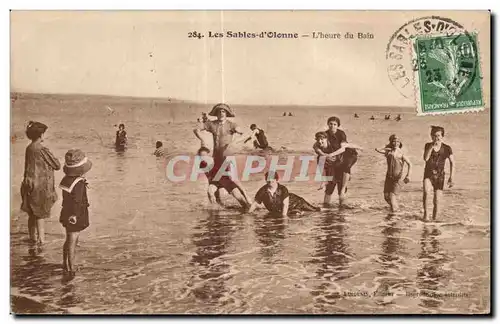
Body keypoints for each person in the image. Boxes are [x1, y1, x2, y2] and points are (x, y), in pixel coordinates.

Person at [20, 121, 61, 248]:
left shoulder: (29, 148)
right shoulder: (42, 149)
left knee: (32, 214)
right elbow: (57, 165)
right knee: (40, 214)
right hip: (41, 186)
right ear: (41, 135)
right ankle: (42, 241)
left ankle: (32, 238)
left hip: (29, 184)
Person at [59, 149, 92, 279]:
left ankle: (65, 263)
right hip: (75, 215)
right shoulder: (79, 183)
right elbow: (77, 200)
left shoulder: (66, 180)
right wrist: (75, 215)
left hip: (66, 212)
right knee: (73, 240)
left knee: (68, 240)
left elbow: (67, 198)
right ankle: (71, 267)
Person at [323, 117, 362, 206]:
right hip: (335, 160)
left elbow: (343, 149)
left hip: (347, 156)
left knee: (341, 186)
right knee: (330, 186)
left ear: (338, 126)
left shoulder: (341, 134)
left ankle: (342, 208)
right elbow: (318, 145)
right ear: (328, 124)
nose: (332, 126)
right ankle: (325, 208)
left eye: (334, 124)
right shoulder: (325, 134)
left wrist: (330, 155)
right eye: (330, 124)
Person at [248, 172, 320, 216]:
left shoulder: (283, 189)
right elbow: (255, 204)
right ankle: (298, 212)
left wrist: (283, 220)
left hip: (297, 202)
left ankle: (327, 210)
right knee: (294, 214)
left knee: (315, 211)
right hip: (282, 209)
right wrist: (248, 214)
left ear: (276, 179)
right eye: (268, 179)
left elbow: (285, 205)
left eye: (272, 179)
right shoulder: (262, 191)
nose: (270, 181)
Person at [422, 126, 455, 221]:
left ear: (442, 136)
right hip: (428, 174)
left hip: (440, 176)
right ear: (431, 136)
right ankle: (426, 216)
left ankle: (435, 218)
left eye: (438, 135)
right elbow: (425, 158)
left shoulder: (447, 148)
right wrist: (431, 147)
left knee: (437, 200)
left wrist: (451, 177)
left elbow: (453, 163)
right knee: (426, 192)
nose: (436, 138)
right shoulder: (428, 145)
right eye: (434, 135)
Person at [375, 134, 412, 212]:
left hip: (398, 178)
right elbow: (377, 149)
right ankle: (396, 208)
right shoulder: (388, 152)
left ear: (400, 143)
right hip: (388, 177)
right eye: (394, 141)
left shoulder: (401, 153)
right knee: (386, 197)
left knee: (392, 196)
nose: (395, 143)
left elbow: (410, 164)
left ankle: (395, 213)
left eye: (397, 141)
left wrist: (408, 175)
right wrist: (386, 146)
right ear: (391, 142)